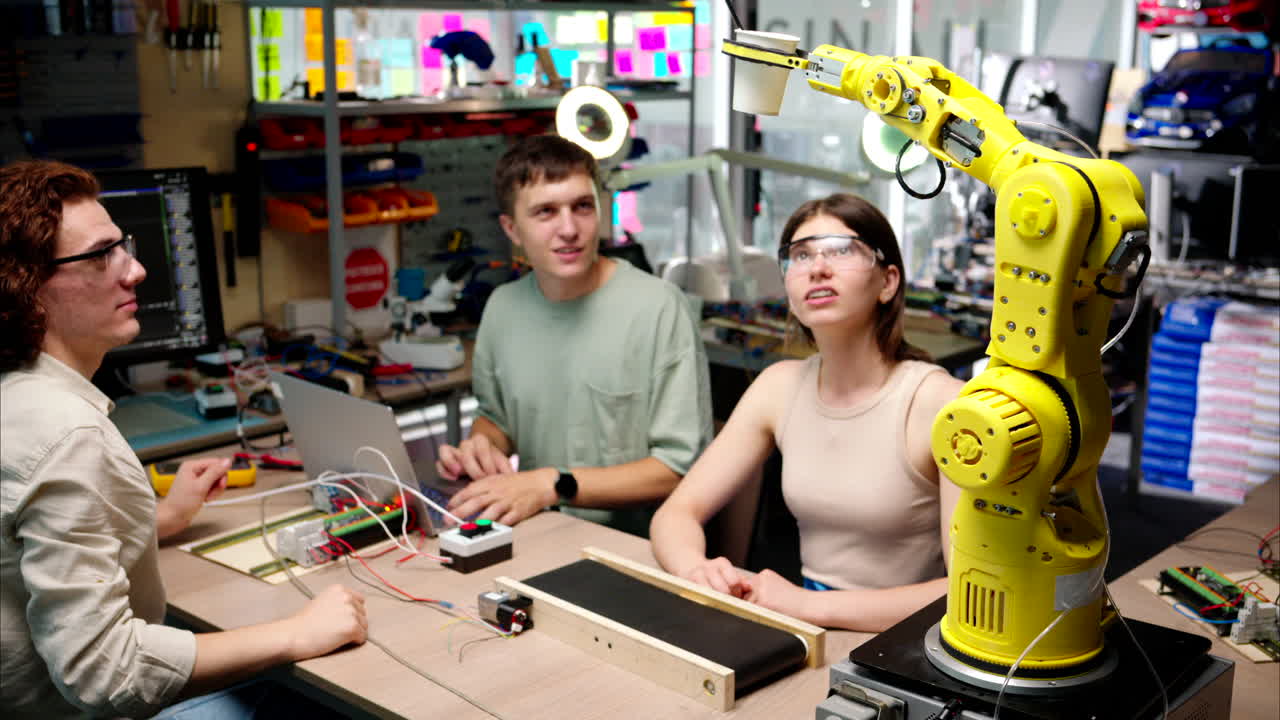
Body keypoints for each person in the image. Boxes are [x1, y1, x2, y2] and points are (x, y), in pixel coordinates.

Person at [0, 159, 368, 719]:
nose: (136, 270)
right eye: (102, 255)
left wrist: (156, 520)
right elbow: (106, 670)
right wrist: (297, 633)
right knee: (320, 700)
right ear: (28, 290)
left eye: (123, 246)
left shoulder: (19, 398)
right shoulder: (65, 433)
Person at [650, 193, 965, 632]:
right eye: (800, 255)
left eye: (841, 250)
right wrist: (696, 571)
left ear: (888, 281)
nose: (817, 267)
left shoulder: (942, 404)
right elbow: (675, 514)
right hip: (802, 629)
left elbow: (966, 594)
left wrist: (808, 606)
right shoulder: (779, 387)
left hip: (902, 644)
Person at [436, 135, 714, 535]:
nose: (569, 229)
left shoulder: (659, 308)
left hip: (639, 549)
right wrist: (482, 447)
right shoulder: (502, 307)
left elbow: (678, 469)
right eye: (546, 212)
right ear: (511, 229)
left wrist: (552, 484)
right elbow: (498, 419)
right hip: (537, 533)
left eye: (582, 207)